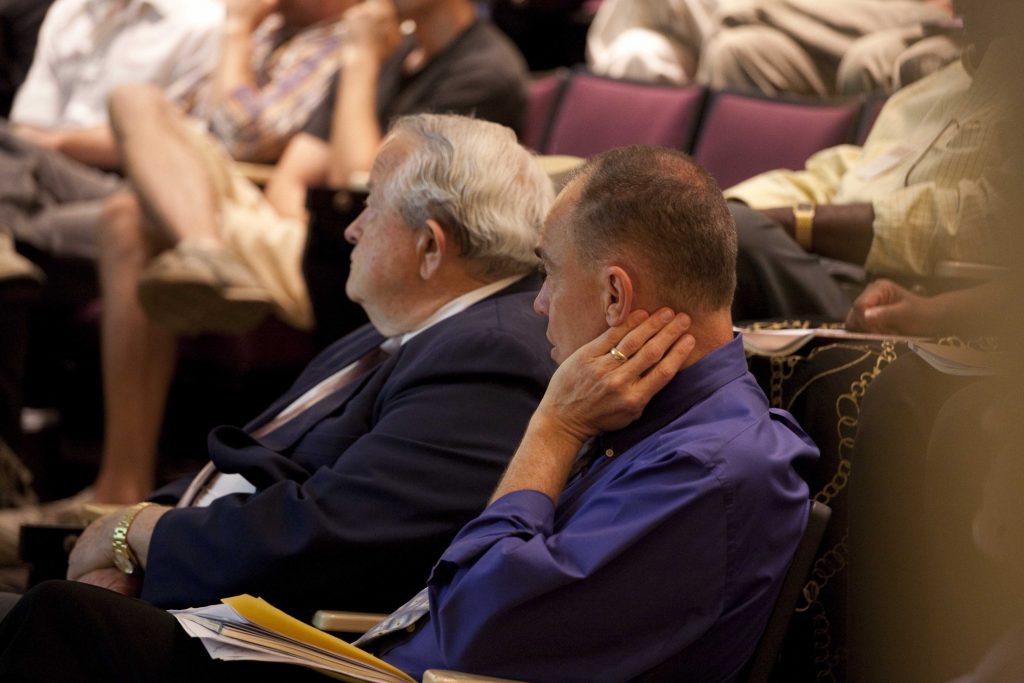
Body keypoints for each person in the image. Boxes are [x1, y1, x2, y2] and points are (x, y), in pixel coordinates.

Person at [0, 145, 817, 683]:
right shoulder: (655, 421)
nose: (537, 306)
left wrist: (551, 430)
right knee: (69, 622)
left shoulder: (712, 466)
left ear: (614, 294)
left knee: (65, 626)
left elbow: (477, 622)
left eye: (547, 274)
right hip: (375, 652)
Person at [7, 114, 556, 621]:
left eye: (371, 207)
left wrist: (137, 534)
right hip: (196, 578)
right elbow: (252, 466)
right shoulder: (413, 326)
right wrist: (128, 539)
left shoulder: (489, 355)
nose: (351, 228)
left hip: (259, 638)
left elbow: (331, 538)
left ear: (430, 248)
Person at [65, 0, 528, 517]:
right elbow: (294, 177)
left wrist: (358, 63)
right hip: (307, 228)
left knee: (128, 212)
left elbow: (356, 186)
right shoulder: (395, 52)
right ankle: (204, 252)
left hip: (342, 251)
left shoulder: (481, 69)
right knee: (135, 121)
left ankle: (121, 491)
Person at [724, 0, 1007, 321]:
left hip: (896, 296)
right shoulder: (937, 85)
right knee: (690, 230)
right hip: (826, 264)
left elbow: (974, 220)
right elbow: (848, 171)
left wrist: (799, 222)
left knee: (736, 237)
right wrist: (713, 210)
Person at [698, 0, 960, 97]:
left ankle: (760, 7)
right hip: (830, 20)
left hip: (921, 13)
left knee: (869, 60)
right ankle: (733, 201)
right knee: (734, 52)